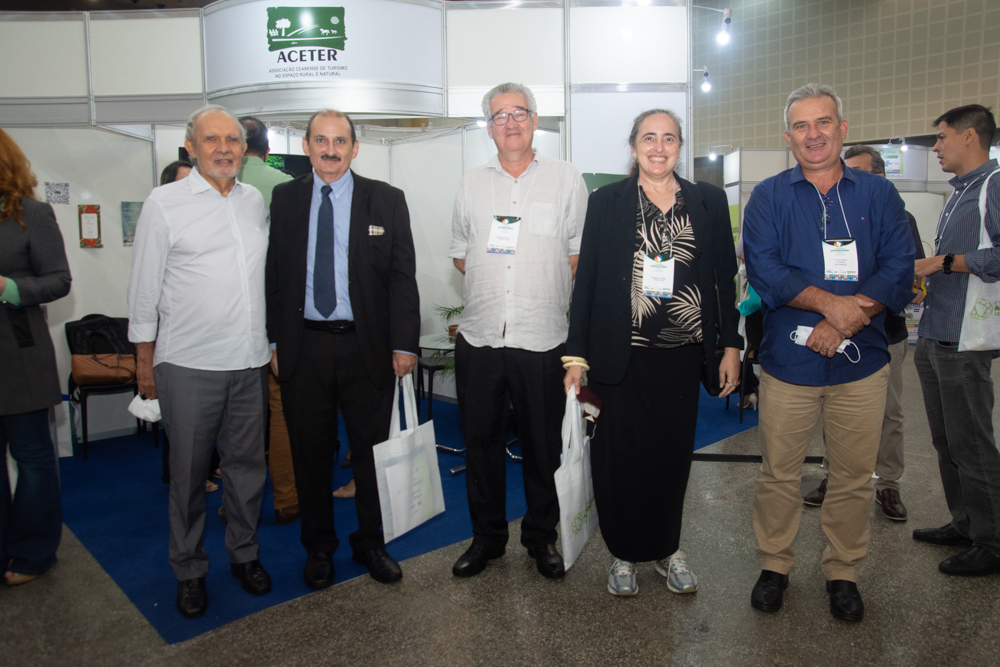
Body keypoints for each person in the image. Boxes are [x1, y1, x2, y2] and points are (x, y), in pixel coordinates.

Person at [743, 84, 914, 622]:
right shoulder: (769, 196)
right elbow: (766, 272)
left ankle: (843, 571)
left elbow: (900, 265)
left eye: (823, 123)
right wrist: (831, 308)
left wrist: (849, 317)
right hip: (789, 364)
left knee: (852, 475)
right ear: (787, 136)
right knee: (779, 474)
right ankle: (775, 564)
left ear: (842, 128)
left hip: (861, 362)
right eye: (801, 125)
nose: (812, 134)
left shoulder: (877, 195)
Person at [564, 109, 741, 596]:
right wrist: (575, 353)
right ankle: (622, 553)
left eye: (668, 138)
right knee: (619, 460)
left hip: (682, 358)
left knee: (669, 460)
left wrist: (731, 345)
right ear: (633, 144)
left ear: (680, 146)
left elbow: (724, 281)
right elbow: (589, 282)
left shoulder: (707, 200)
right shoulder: (606, 202)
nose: (658, 147)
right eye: (649, 137)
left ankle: (666, 547)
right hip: (619, 357)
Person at [128, 105, 273, 619]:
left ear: (243, 147)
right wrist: (144, 360)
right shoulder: (164, 204)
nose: (223, 148)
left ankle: (244, 555)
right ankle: (189, 570)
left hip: (249, 360)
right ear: (191, 146)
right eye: (211, 139)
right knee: (189, 478)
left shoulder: (255, 201)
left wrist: (272, 344)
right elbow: (144, 287)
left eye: (232, 139)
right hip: (187, 364)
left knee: (247, 472)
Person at [266, 109, 419, 590]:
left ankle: (372, 543)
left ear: (355, 147)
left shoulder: (386, 199)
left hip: (367, 347)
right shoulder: (285, 198)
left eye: (340, 141)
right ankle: (318, 548)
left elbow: (402, 277)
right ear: (307, 145)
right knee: (310, 453)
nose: (330, 150)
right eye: (320, 141)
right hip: (303, 347)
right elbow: (275, 274)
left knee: (370, 454)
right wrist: (273, 339)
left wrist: (404, 344)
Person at [448, 82, 588, 580]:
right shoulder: (470, 182)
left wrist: (533, 287)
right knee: (481, 443)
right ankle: (486, 539)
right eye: (499, 115)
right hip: (481, 336)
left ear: (535, 121)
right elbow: (461, 253)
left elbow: (578, 257)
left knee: (541, 445)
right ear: (488, 126)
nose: (510, 122)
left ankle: (541, 537)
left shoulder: (566, 179)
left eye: (519, 113)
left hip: (543, 336)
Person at [802, 144, 926, 521]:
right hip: (830, 335)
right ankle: (832, 476)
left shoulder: (899, 217)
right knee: (834, 411)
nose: (850, 179)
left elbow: (905, 275)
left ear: (881, 178)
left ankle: (888, 484)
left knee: (889, 414)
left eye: (860, 172)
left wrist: (849, 313)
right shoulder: (829, 215)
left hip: (883, 334)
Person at [912, 104, 1000, 577]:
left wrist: (942, 263)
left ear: (970, 136)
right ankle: (965, 524)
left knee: (973, 443)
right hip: (935, 331)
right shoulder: (958, 193)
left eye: (942, 138)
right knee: (947, 441)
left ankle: (993, 541)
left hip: (966, 337)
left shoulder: (994, 186)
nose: (937, 148)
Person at [0, 128, 72, 586]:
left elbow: (58, 281)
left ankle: (33, 553)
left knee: (33, 458)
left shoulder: (32, 214)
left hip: (19, 358)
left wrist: (7, 288)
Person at [236, 116, 299, 526]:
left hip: (229, 319)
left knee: (238, 418)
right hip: (276, 315)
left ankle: (235, 501)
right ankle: (286, 499)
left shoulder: (217, 188)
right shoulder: (285, 187)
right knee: (281, 412)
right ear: (268, 148)